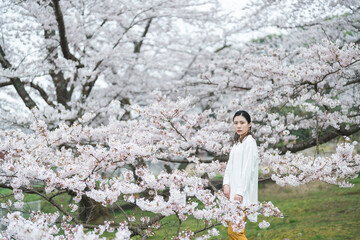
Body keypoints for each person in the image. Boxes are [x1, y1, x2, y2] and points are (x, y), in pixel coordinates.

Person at [223, 110, 259, 240]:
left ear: (249, 124)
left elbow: (248, 169)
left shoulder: (250, 142)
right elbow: (230, 165)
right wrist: (226, 183)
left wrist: (240, 192)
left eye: (242, 123)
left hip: (242, 194)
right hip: (234, 193)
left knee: (235, 232)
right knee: (233, 232)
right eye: (236, 123)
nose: (238, 126)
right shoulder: (237, 143)